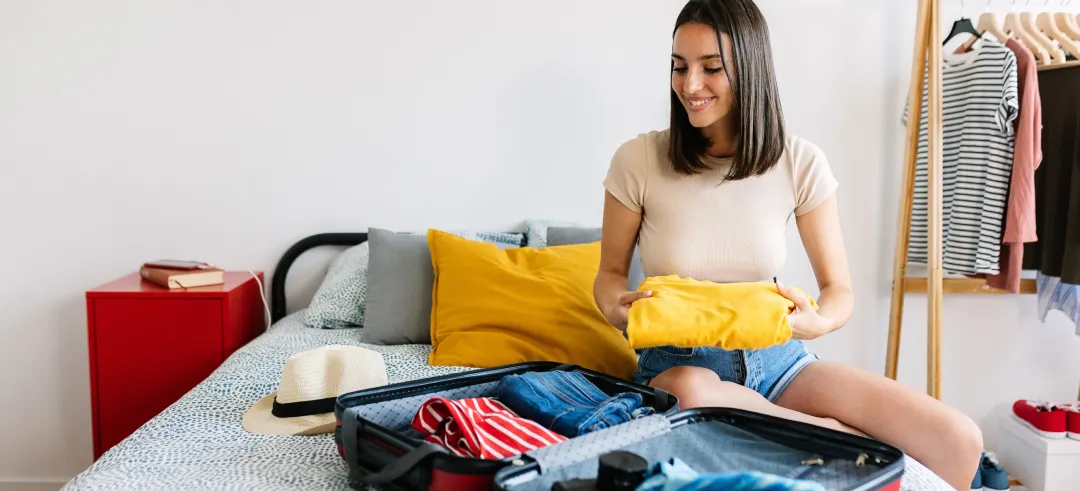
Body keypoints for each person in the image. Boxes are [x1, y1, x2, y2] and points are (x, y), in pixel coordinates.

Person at [592, 0, 983, 489]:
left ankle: (821, 435)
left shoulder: (799, 162)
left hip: (778, 361)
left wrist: (818, 321)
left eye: (711, 68)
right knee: (690, 393)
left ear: (751, 67)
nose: (690, 85)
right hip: (678, 364)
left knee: (959, 439)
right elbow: (609, 275)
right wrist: (619, 310)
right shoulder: (638, 160)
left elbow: (838, 288)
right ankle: (845, 441)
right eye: (679, 66)